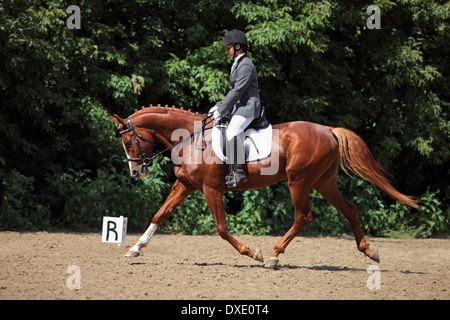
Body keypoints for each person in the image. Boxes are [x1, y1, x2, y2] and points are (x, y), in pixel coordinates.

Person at [209, 29, 262, 188]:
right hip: (239, 107)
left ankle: (239, 173)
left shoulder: (246, 65)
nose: (226, 51)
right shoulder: (238, 63)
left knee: (232, 131)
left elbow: (238, 91)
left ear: (237, 46)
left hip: (248, 107)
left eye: (228, 48)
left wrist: (221, 108)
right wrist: (218, 107)